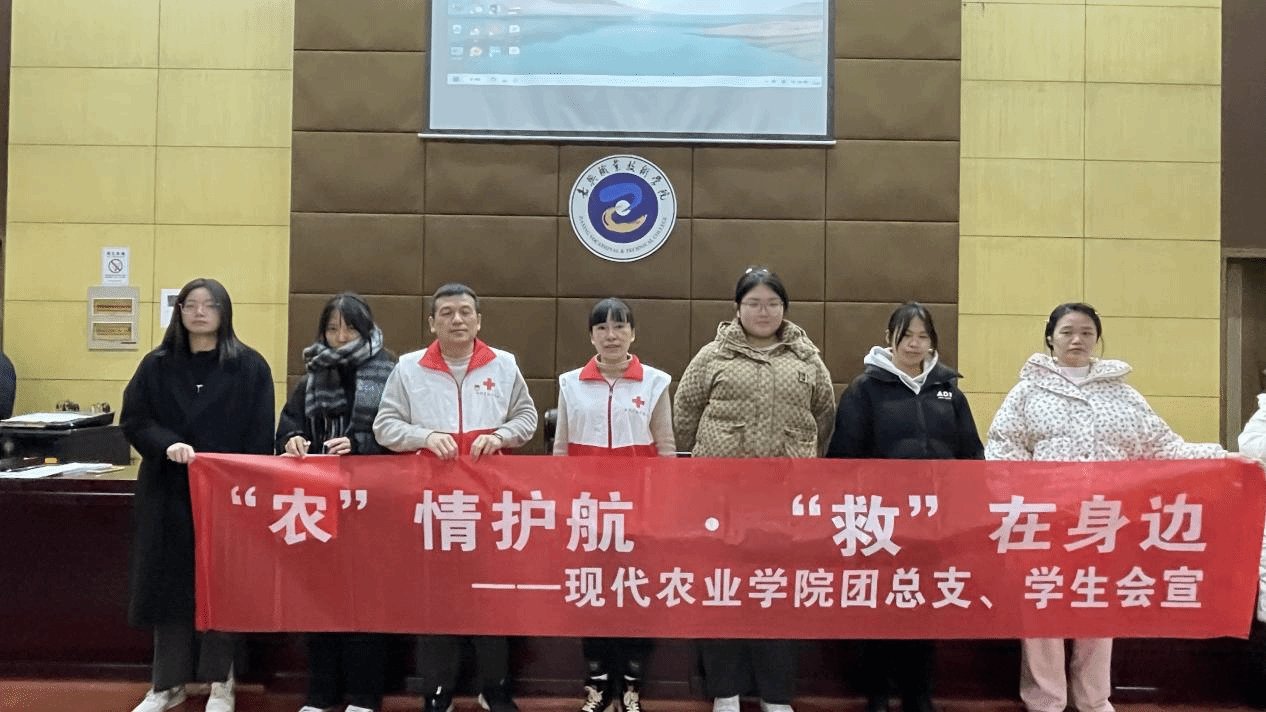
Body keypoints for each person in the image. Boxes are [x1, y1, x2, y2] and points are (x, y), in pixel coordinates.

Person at [986, 302, 1227, 712]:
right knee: (1042, 609)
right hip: (1044, 521)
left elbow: (1164, 448)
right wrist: (1023, 505)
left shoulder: (1123, 395)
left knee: (1097, 610)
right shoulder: (1026, 393)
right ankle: (1046, 700)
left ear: (1097, 339)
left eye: (1086, 332)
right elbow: (1002, 452)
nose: (1076, 340)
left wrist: (1225, 459)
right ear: (1050, 338)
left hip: (1104, 522)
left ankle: (1094, 699)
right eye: (1067, 332)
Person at [673, 267, 835, 712]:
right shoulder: (712, 356)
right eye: (754, 303)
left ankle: (775, 694)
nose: (764, 312)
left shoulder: (806, 359)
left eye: (772, 304)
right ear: (737, 308)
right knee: (721, 591)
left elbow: (824, 418)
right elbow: (684, 416)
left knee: (776, 593)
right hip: (720, 500)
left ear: (784, 308)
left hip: (784, 501)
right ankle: (725, 691)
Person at [373, 283, 538, 712]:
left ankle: (494, 687)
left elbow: (527, 417)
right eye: (446, 313)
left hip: (491, 503)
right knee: (435, 598)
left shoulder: (504, 365)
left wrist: (501, 435)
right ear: (432, 323)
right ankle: (437, 690)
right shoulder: (409, 368)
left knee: (493, 595)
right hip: (432, 504)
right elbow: (384, 426)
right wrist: (424, 436)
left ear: (479, 321)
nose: (457, 320)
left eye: (465, 312)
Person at [121, 278, 275, 712]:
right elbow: (134, 420)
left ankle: (221, 682)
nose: (200, 312)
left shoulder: (249, 366)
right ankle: (166, 684)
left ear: (224, 312)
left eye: (210, 305)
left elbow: (260, 436)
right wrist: (166, 443)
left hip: (227, 496)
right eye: (191, 304)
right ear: (180, 312)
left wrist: (240, 480)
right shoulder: (156, 365)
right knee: (168, 587)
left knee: (222, 587)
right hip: (167, 491)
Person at [826, 303, 983, 712]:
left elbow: (971, 453)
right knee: (879, 606)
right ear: (889, 339)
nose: (915, 344)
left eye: (923, 337)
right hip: (881, 520)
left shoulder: (949, 390)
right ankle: (877, 694)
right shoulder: (864, 389)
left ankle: (918, 693)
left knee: (926, 605)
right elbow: (843, 458)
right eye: (907, 336)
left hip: (935, 521)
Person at [276, 293, 397, 712]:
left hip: (374, 507)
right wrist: (291, 439)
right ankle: (322, 693)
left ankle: (364, 696)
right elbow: (288, 424)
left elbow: (402, 434)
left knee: (368, 602)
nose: (340, 336)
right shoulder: (312, 375)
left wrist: (361, 445)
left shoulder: (393, 372)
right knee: (320, 600)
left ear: (367, 329)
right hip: (320, 505)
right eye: (332, 328)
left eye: (349, 327)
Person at [554, 298, 675, 712]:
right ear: (591, 336)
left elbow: (666, 448)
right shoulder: (570, 383)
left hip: (638, 511)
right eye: (602, 328)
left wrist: (663, 506)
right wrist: (563, 506)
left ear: (633, 333)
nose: (611, 335)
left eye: (620, 327)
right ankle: (598, 683)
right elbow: (560, 450)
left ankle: (632, 685)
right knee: (593, 594)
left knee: (636, 595)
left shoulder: (655, 382)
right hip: (587, 512)